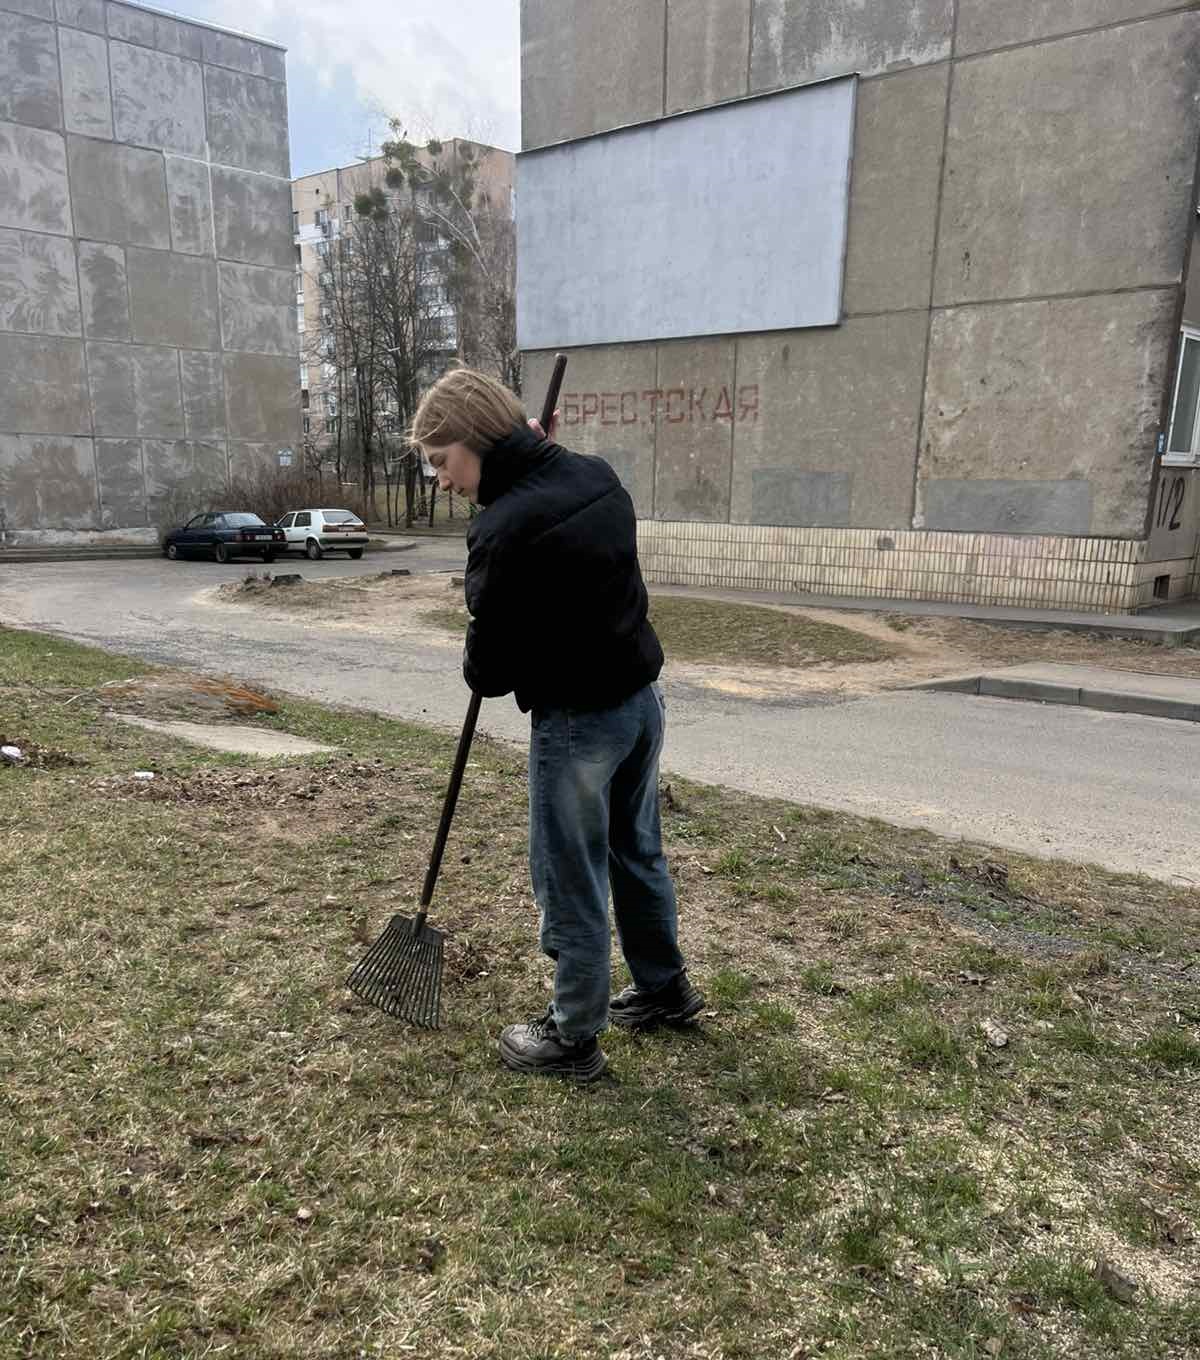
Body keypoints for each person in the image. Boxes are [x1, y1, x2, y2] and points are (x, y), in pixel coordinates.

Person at [410, 367, 704, 1082]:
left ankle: (573, 1035)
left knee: (569, 875)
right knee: (636, 853)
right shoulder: (594, 476)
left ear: (479, 441)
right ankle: (664, 989)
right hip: (640, 704)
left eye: (443, 461)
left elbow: (490, 671)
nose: (441, 480)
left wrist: (482, 614)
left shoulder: (505, 527)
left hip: (578, 724)